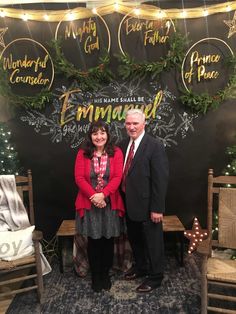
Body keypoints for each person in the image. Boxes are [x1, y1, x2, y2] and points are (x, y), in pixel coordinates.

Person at [119, 109, 169, 293]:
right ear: (125, 124)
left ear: (144, 124)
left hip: (149, 206)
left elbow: (160, 179)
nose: (131, 127)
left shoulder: (155, 146)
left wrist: (157, 208)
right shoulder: (123, 144)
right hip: (128, 203)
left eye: (135, 124)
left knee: (153, 242)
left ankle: (156, 277)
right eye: (128, 123)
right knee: (135, 239)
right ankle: (141, 267)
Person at [74, 120, 125, 292]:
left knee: (108, 240)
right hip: (90, 204)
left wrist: (103, 195)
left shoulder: (116, 152)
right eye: (95, 133)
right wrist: (94, 196)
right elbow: (79, 178)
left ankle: (105, 274)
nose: (99, 137)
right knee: (94, 241)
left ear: (108, 135)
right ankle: (96, 276)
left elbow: (118, 177)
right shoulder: (83, 153)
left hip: (110, 203)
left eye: (102, 133)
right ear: (90, 136)